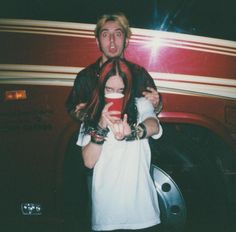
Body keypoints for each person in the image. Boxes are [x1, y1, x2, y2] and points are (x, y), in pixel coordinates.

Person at [77, 58, 163, 232]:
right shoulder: (91, 112)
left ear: (128, 89)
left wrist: (132, 132)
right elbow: (88, 161)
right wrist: (101, 125)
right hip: (107, 217)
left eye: (120, 90)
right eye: (109, 89)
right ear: (101, 89)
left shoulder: (141, 105)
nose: (114, 94)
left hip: (144, 215)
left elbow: (154, 126)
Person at [65, 12, 162, 120]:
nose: (112, 40)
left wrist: (156, 104)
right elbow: (72, 107)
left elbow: (152, 111)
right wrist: (81, 113)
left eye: (118, 34)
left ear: (126, 40)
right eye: (105, 34)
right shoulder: (85, 76)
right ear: (98, 42)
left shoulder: (139, 74)